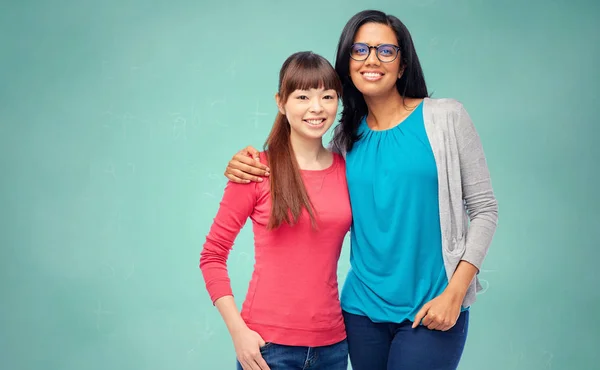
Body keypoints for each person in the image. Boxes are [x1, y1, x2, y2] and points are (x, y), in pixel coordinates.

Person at [221, 9, 499, 370]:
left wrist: (456, 291)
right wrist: (246, 163)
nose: (372, 59)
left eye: (386, 50)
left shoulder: (445, 118)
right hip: (360, 314)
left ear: (402, 65)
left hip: (434, 306)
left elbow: (485, 209)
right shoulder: (342, 142)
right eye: (360, 50)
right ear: (347, 65)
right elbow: (301, 170)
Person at [199, 51, 351, 370]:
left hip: (335, 347)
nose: (316, 107)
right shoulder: (256, 170)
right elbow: (212, 255)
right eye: (303, 96)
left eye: (327, 96)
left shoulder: (348, 170)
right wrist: (239, 332)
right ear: (281, 102)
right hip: (268, 348)